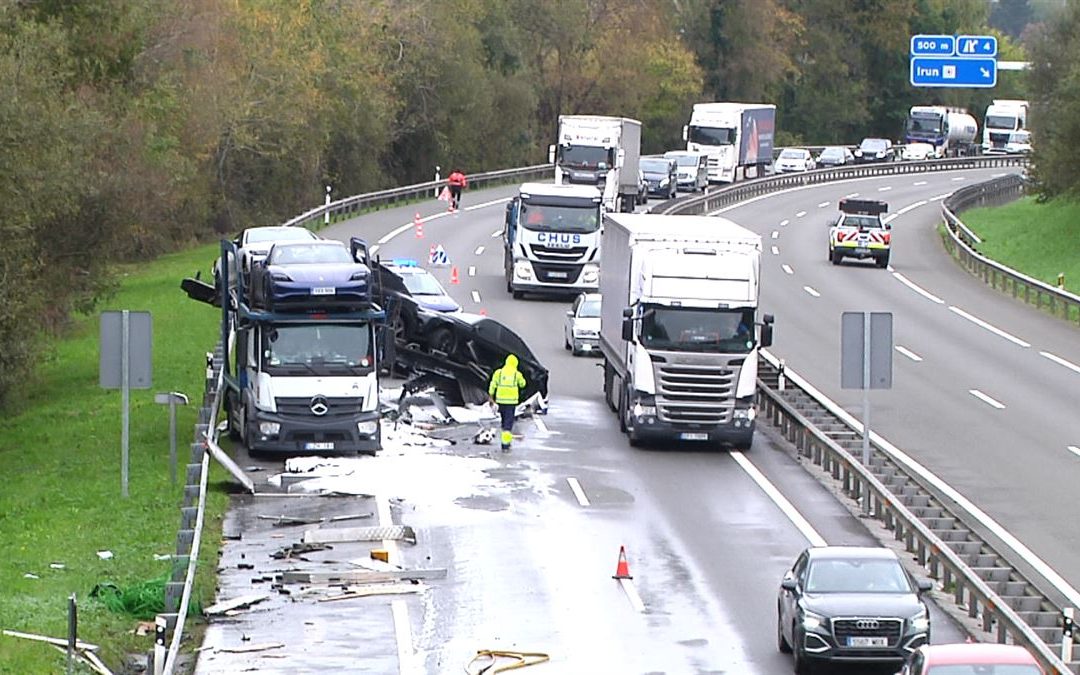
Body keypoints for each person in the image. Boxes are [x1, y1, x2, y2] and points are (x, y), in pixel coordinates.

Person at [488, 354, 526, 451]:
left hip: (500, 401)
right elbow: (523, 384)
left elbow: (493, 385)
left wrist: (491, 397)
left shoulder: (499, 373)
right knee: (508, 424)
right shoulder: (516, 374)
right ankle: (505, 444)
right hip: (511, 402)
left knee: (504, 421)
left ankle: (506, 440)